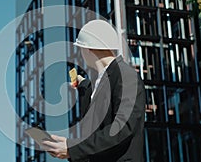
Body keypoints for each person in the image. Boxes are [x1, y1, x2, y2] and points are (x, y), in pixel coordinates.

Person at [42, 19, 146, 162]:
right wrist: (83, 85)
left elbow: (123, 128)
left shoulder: (126, 75)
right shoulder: (100, 82)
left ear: (87, 48)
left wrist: (72, 149)